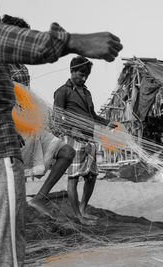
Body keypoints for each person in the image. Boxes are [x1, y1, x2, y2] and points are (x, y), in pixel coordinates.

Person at [0, 1, 123, 266]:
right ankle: (61, 205)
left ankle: (55, 203)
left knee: (81, 167)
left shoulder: (80, 91)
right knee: (3, 257)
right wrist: (68, 41)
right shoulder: (62, 90)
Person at [2, 14, 76, 220]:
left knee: (67, 153)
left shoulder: (22, 67)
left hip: (28, 128)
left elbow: (26, 100)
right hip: (6, 128)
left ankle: (39, 199)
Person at [54, 56, 107, 225]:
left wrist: (107, 123)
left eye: (86, 75)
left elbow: (92, 116)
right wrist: (70, 130)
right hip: (73, 140)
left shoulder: (87, 92)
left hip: (89, 139)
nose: (84, 78)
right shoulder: (62, 91)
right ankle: (77, 215)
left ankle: (83, 209)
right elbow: (56, 118)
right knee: (74, 178)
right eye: (81, 74)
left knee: (92, 176)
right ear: (72, 71)